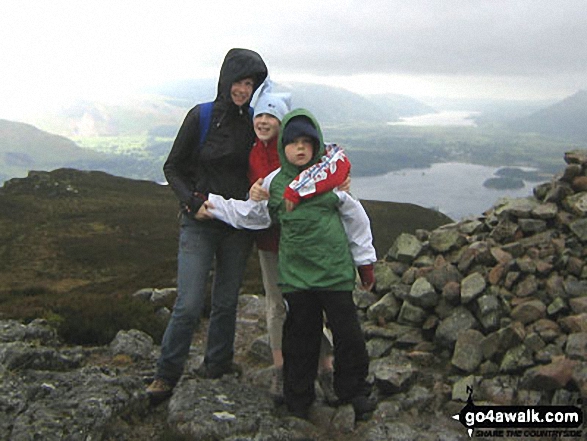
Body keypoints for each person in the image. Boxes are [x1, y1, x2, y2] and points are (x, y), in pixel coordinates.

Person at [208, 108, 377, 420]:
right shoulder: (275, 184)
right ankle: (298, 399)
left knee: (348, 335)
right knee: (300, 337)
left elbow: (356, 221)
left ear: (316, 145)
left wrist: (365, 263)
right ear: (283, 146)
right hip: (298, 278)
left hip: (335, 273)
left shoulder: (330, 180)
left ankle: (353, 390)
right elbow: (251, 214)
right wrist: (215, 206)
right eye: (293, 142)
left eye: (307, 142)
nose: (300, 148)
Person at [146, 48, 268, 402]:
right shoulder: (200, 117)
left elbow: (271, 163)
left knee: (227, 301)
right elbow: (173, 167)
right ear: (225, 79)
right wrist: (191, 202)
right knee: (188, 303)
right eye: (239, 81)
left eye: (250, 83)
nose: (243, 89)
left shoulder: (254, 123)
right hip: (199, 221)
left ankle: (217, 366)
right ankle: (166, 376)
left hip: (237, 226)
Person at [248, 84, 342, 404]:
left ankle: (326, 368)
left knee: (309, 308)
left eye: (270, 116)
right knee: (277, 305)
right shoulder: (250, 152)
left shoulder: (296, 144)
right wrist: (252, 195)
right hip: (270, 242)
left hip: (305, 245)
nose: (263, 122)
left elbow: (331, 164)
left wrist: (340, 179)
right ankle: (281, 371)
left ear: (281, 122)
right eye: (259, 114)